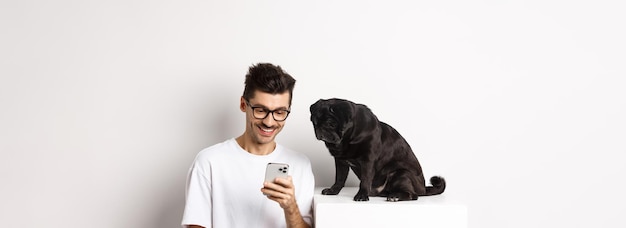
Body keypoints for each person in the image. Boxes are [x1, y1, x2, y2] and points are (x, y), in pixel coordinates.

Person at [181, 63, 315, 228]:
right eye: (260, 110)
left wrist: (290, 207)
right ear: (244, 104)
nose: (269, 122)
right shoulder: (209, 161)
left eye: (279, 112)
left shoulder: (301, 165)